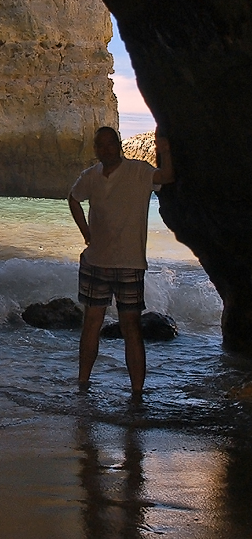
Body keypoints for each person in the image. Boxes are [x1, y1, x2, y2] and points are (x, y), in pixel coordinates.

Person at [67, 126, 175, 395]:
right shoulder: (90, 176)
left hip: (130, 264)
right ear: (96, 149)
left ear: (119, 145)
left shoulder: (139, 171)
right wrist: (86, 232)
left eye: (111, 143)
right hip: (95, 262)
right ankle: (82, 384)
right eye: (101, 145)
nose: (106, 149)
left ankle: (137, 393)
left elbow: (167, 176)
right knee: (91, 324)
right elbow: (73, 198)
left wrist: (165, 151)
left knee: (131, 329)